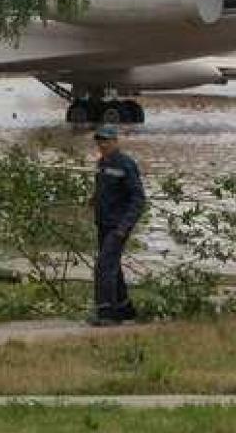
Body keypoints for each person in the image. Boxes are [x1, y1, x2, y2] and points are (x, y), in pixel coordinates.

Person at [89, 124, 146, 326]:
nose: (102, 144)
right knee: (112, 265)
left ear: (115, 141)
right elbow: (103, 188)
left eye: (105, 140)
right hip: (103, 223)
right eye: (99, 140)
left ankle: (106, 312)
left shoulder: (126, 165)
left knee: (104, 265)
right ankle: (124, 309)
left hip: (118, 226)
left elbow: (138, 199)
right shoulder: (101, 164)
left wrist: (125, 227)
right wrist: (94, 198)